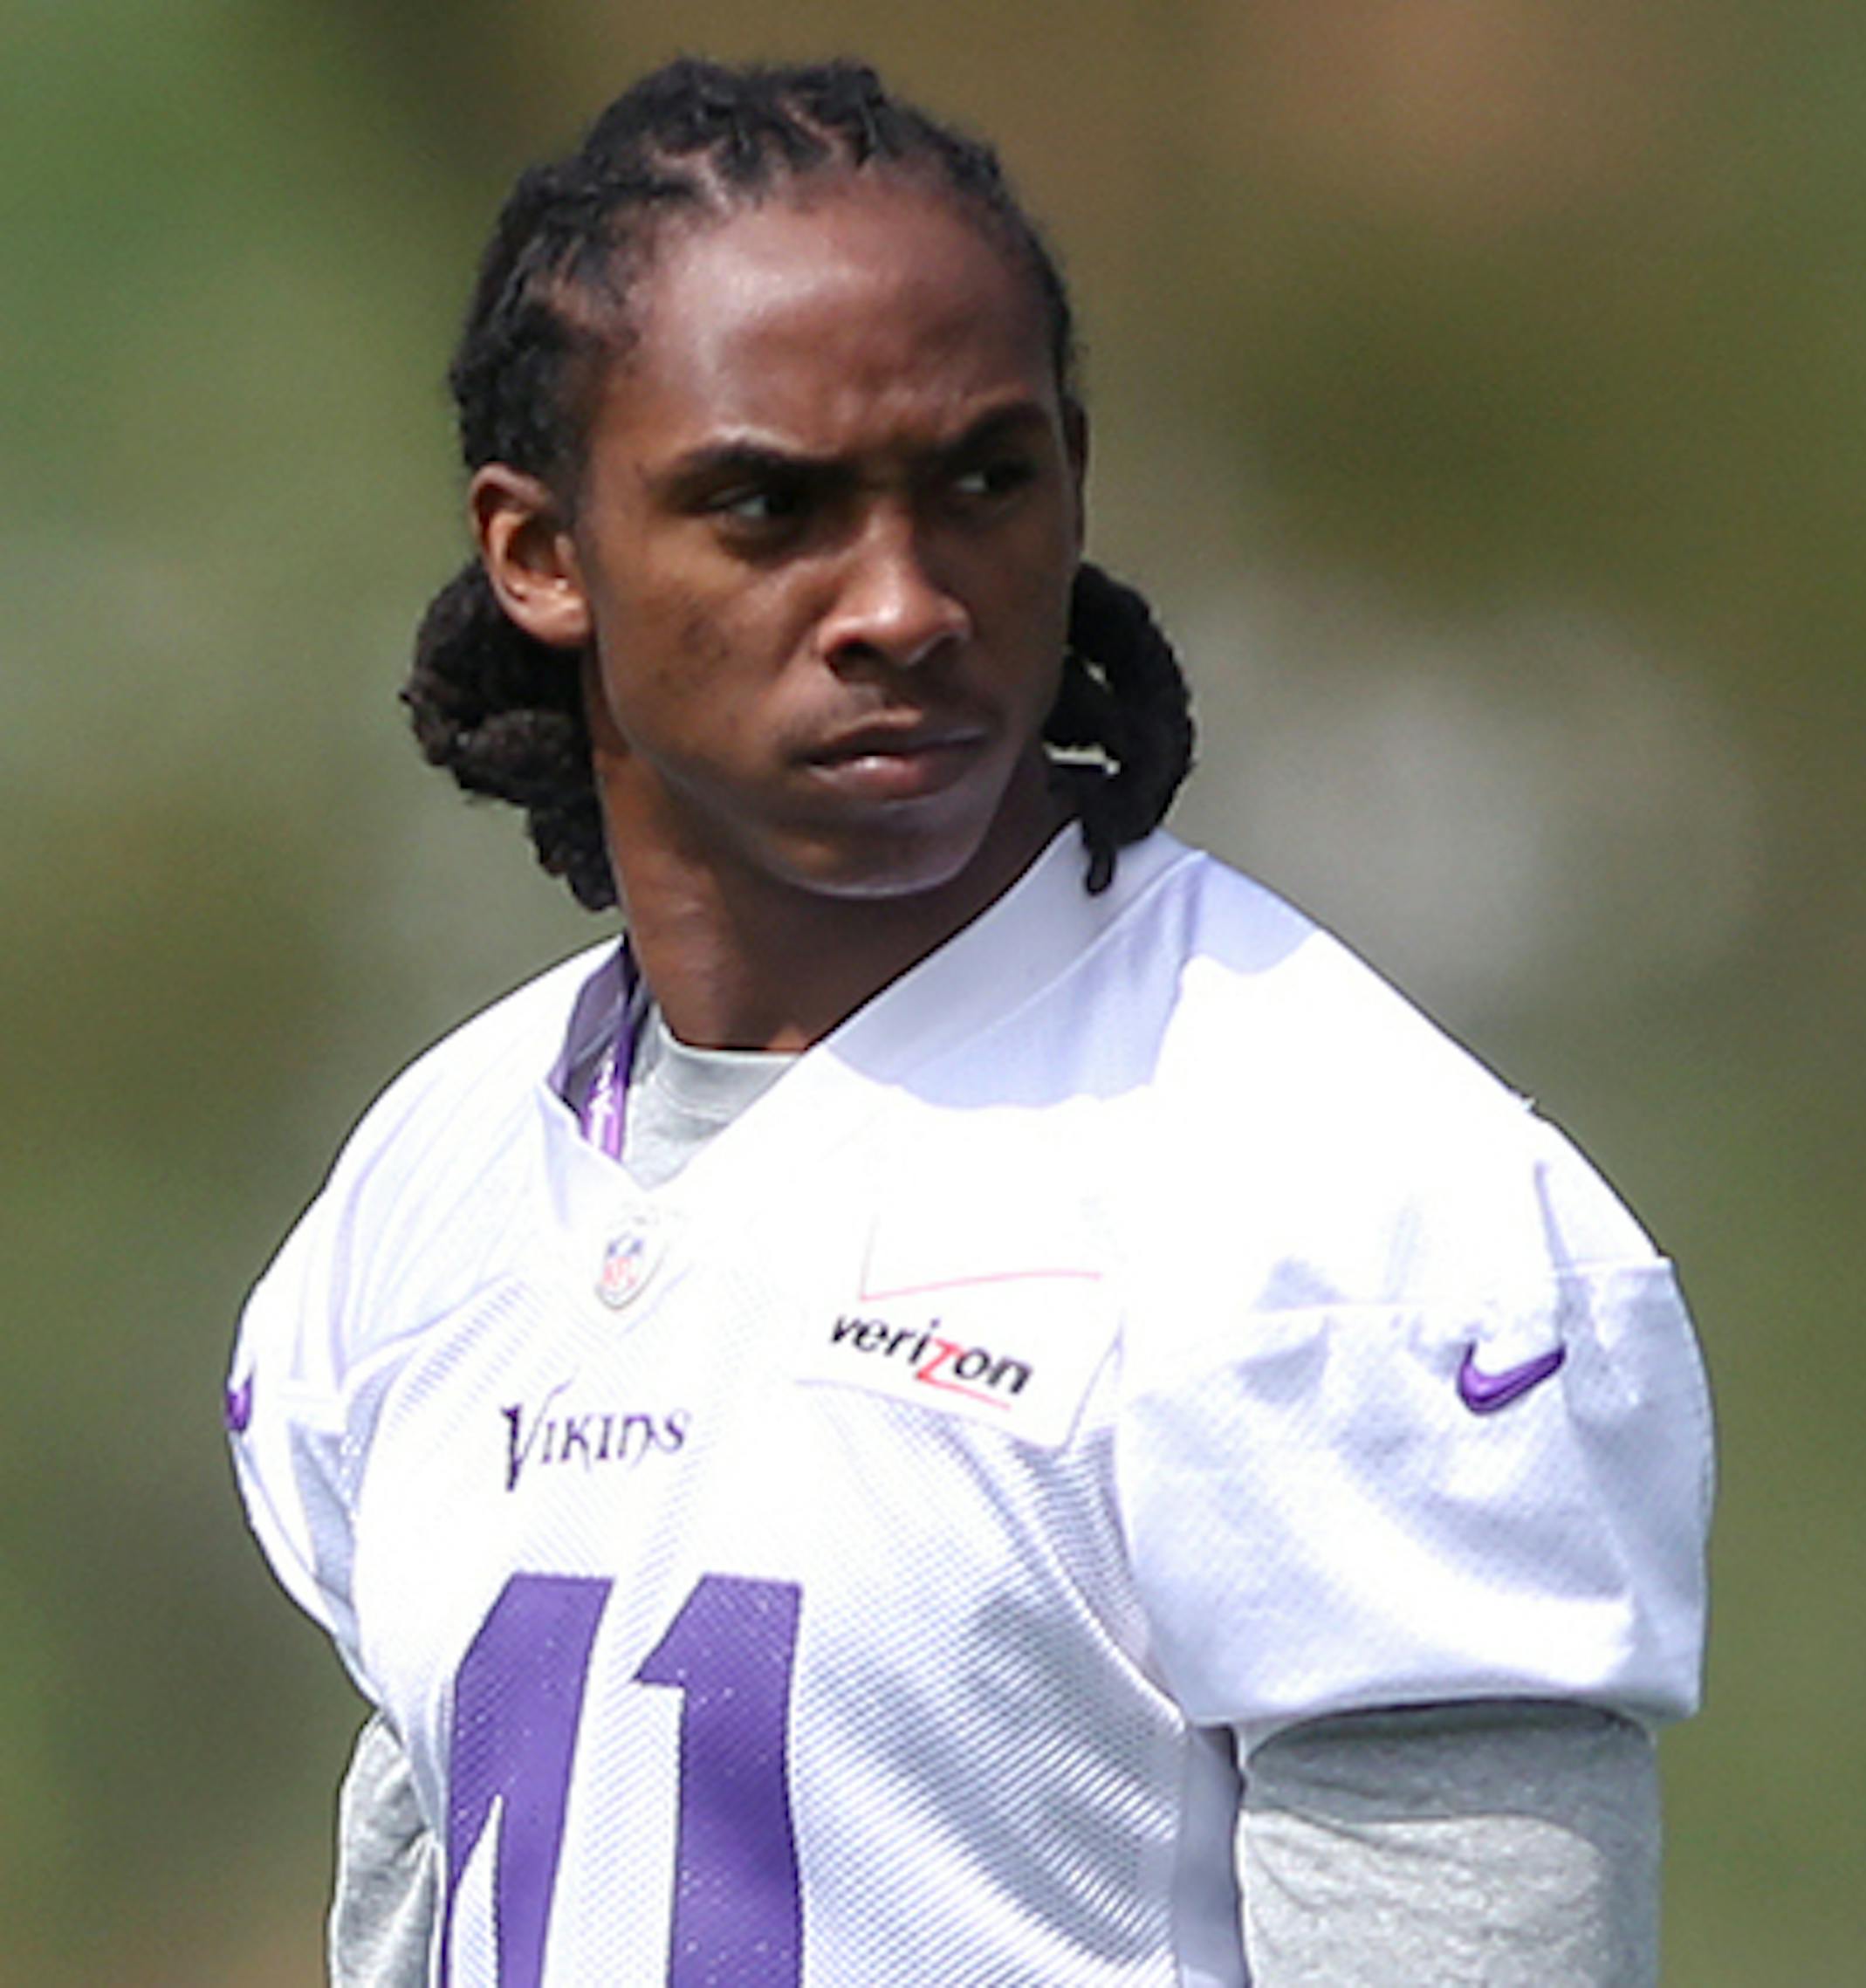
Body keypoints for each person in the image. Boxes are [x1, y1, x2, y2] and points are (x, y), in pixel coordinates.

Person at [228, 56, 1712, 1987]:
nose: (905, 602)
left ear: (1074, 478)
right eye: (772, 504)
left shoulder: (1342, 1200)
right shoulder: (429, 1192)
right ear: (541, 553)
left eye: (983, 482)